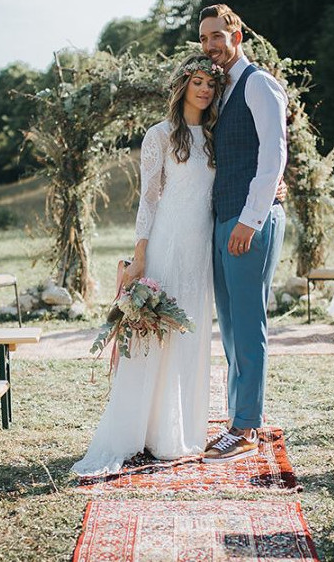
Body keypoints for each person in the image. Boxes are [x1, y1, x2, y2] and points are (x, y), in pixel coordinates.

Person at [72, 54, 226, 476]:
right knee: (157, 335)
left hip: (201, 248)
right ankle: (138, 431)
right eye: (197, 82)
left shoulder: (215, 135)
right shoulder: (160, 135)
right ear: (183, 85)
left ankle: (176, 431)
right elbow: (149, 197)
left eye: (211, 84)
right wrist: (140, 254)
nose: (205, 90)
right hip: (168, 243)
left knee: (190, 332)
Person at [199, 4, 288, 464]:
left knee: (248, 325)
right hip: (223, 217)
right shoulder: (220, 89)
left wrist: (250, 221)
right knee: (231, 327)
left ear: (236, 34)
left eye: (218, 35)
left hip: (249, 220)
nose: (211, 45)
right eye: (205, 38)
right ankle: (237, 416)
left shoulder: (259, 84)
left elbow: (273, 156)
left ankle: (247, 427)